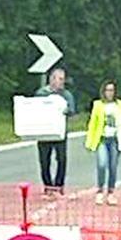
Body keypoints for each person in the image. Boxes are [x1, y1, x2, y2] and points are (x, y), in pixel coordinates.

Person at [34, 66, 76, 195]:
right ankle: (48, 186)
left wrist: (65, 110)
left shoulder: (66, 95)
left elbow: (72, 110)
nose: (61, 82)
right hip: (44, 132)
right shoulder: (41, 93)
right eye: (59, 79)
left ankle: (59, 186)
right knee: (44, 160)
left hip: (60, 133)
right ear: (51, 79)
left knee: (62, 159)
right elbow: (34, 109)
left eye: (62, 79)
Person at [85, 79, 121, 205]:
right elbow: (93, 123)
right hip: (102, 138)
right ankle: (99, 190)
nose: (110, 93)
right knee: (102, 164)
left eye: (112, 90)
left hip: (115, 139)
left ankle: (111, 192)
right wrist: (90, 141)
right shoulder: (98, 105)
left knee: (113, 166)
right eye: (107, 90)